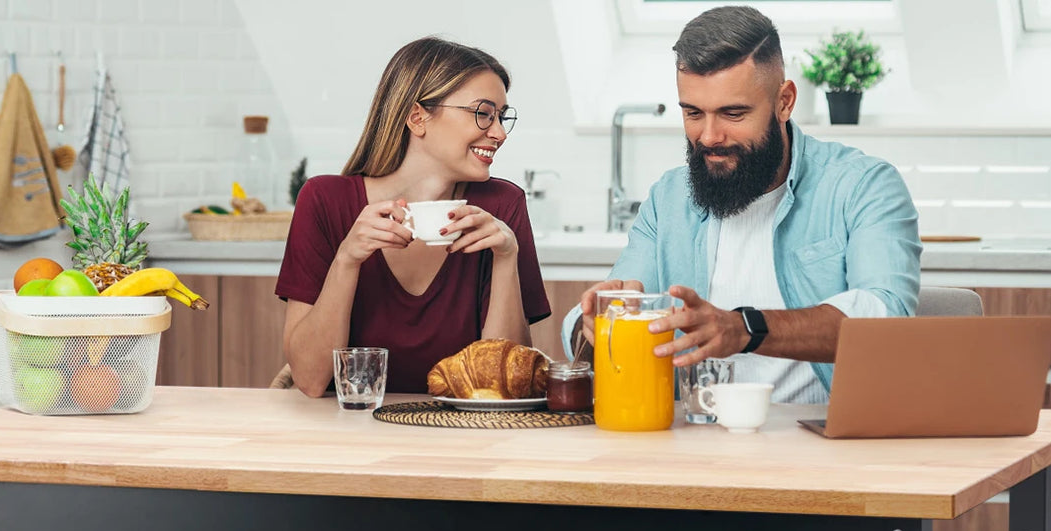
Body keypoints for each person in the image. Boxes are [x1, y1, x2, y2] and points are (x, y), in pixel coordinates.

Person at [564, 6, 921, 404]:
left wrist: (745, 328)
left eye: (733, 113)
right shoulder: (668, 199)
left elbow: (886, 318)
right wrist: (593, 322)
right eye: (693, 113)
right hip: (691, 443)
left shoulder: (861, 186)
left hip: (820, 445)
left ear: (784, 102)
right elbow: (601, 317)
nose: (710, 136)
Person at [276, 37, 550, 399]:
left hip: (463, 438)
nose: (498, 132)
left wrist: (505, 257)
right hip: (347, 436)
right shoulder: (326, 201)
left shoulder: (503, 206)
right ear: (418, 117)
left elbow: (501, 386)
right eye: (484, 113)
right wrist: (347, 259)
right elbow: (310, 380)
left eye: (502, 116)